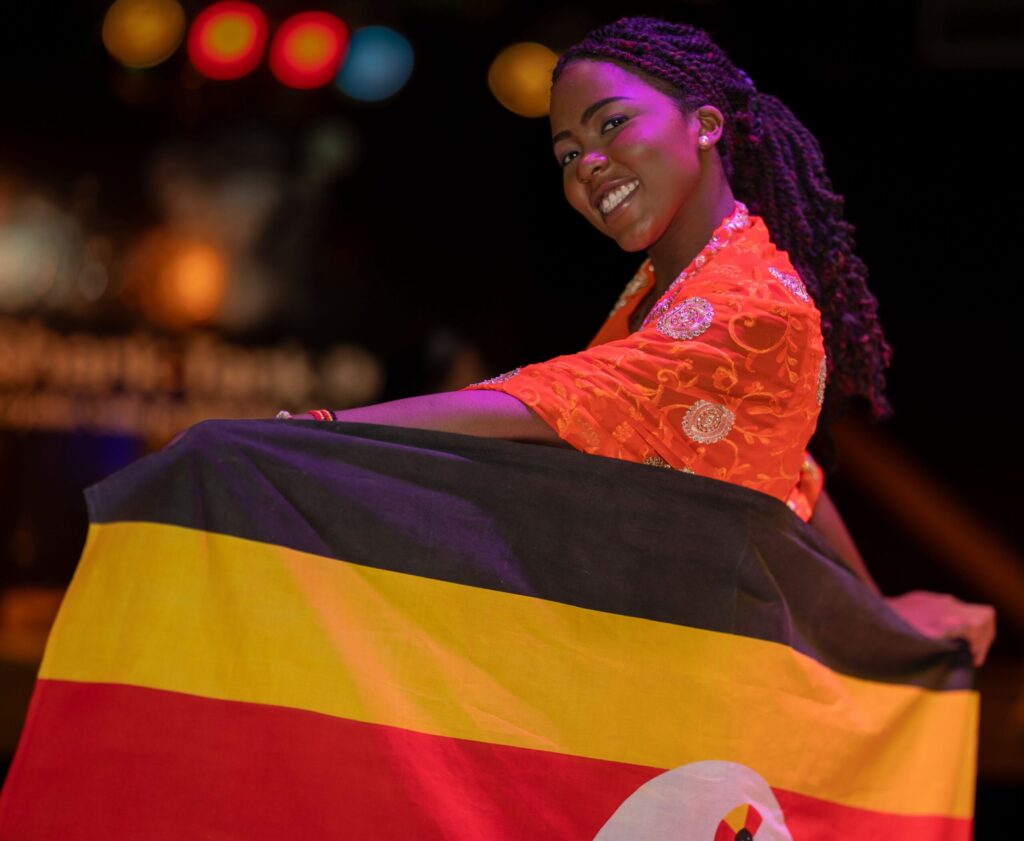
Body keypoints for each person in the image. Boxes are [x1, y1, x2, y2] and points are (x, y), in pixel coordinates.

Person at [280, 17, 995, 667]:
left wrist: (327, 431)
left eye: (612, 123)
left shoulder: (751, 303)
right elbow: (793, 469)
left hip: (700, 683)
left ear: (705, 124)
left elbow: (569, 400)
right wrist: (877, 605)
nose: (587, 163)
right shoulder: (667, 286)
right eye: (566, 154)